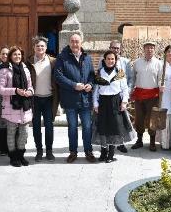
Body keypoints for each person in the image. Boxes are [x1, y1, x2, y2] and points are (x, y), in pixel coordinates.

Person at [54, 33, 96, 163]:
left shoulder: (87, 57)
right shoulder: (62, 57)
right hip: (70, 99)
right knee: (72, 127)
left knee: (87, 127)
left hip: (85, 99)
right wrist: (74, 85)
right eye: (72, 41)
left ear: (81, 42)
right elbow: (58, 76)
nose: (74, 44)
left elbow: (92, 75)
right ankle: (73, 152)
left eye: (77, 41)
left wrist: (90, 84)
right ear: (69, 43)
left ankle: (88, 151)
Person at [92, 50, 135, 163]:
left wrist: (124, 102)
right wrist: (95, 104)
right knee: (103, 127)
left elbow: (125, 89)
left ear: (115, 61)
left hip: (115, 102)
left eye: (113, 59)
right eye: (108, 59)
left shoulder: (120, 73)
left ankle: (111, 154)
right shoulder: (99, 73)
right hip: (103, 102)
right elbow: (96, 90)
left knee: (113, 128)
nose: (110, 61)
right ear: (104, 60)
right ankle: (103, 152)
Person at [0, 46, 34, 167]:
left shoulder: (26, 69)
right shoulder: (4, 70)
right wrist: (16, 90)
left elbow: (30, 86)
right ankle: (13, 157)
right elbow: (0, 89)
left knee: (24, 133)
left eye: (19, 54)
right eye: (15, 55)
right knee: (11, 133)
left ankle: (21, 155)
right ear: (10, 57)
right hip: (11, 106)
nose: (17, 56)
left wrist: (30, 92)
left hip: (25, 106)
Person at [25, 36, 59, 162]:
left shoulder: (53, 61)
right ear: (34, 48)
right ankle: (39, 151)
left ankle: (49, 151)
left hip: (49, 99)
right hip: (35, 99)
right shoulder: (28, 62)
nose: (40, 48)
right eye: (37, 46)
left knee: (49, 126)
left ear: (46, 48)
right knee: (36, 126)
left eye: (42, 46)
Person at [130, 41, 163, 151]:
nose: (149, 50)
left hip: (153, 96)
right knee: (139, 118)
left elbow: (160, 79)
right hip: (139, 95)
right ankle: (139, 140)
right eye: (147, 48)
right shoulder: (137, 63)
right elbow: (133, 78)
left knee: (151, 119)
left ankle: (152, 142)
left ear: (154, 50)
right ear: (143, 49)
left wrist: (161, 86)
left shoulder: (159, 63)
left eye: (151, 48)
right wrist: (131, 90)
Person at [155, 45, 171, 149]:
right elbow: (157, 77)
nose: (170, 53)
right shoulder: (161, 64)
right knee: (165, 114)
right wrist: (159, 85)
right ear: (165, 53)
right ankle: (164, 142)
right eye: (168, 51)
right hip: (164, 92)